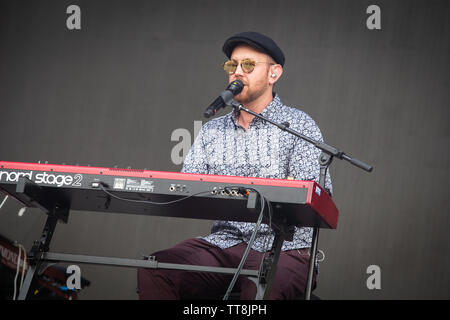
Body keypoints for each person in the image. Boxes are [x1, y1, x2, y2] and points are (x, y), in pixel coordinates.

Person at [137, 31, 332, 300]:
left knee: (261, 289)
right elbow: (188, 189)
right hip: (223, 244)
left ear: (274, 74)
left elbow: (315, 196)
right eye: (232, 65)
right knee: (157, 270)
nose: (237, 72)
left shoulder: (299, 125)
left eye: (249, 65)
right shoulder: (211, 131)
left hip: (284, 248)